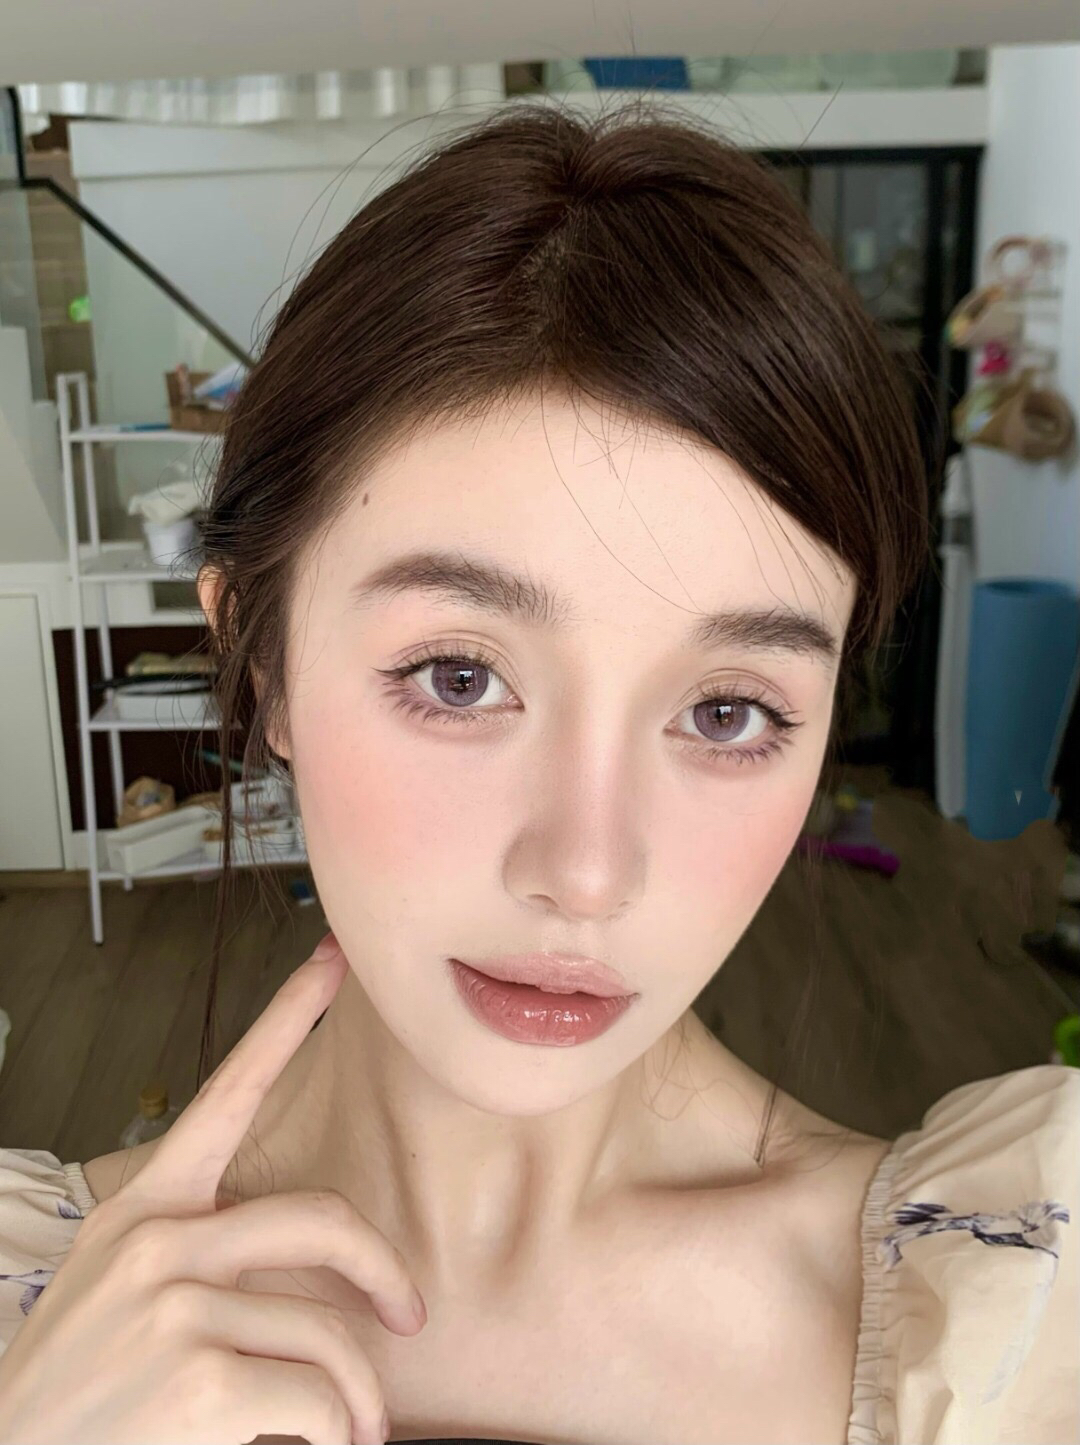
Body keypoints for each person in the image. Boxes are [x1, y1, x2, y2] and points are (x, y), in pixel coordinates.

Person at [1, 100, 1076, 1445]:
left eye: (729, 711)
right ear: (262, 665)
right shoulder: (28, 1328)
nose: (586, 870)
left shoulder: (1012, 1333)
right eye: (460, 677)